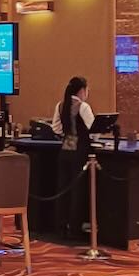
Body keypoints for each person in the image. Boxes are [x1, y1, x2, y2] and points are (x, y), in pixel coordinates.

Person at [53, 76, 94, 239]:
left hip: (65, 150)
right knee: (78, 189)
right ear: (82, 90)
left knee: (64, 187)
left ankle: (61, 224)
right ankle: (75, 227)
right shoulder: (83, 106)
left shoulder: (61, 105)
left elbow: (56, 128)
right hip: (80, 151)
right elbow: (93, 129)